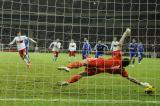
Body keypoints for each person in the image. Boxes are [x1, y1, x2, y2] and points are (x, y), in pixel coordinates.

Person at [57, 28, 154, 94]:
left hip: (99, 62)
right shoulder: (121, 70)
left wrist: (125, 33)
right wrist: (142, 83)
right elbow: (131, 78)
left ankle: (68, 67)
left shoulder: (117, 57)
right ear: (126, 66)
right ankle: (68, 82)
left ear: (122, 58)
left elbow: (120, 44)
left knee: (84, 61)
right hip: (99, 71)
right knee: (82, 74)